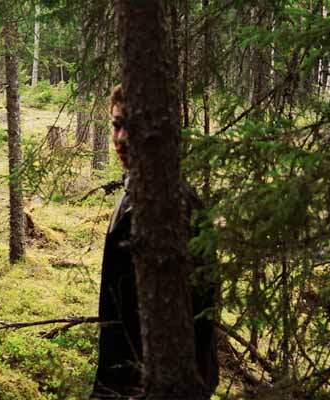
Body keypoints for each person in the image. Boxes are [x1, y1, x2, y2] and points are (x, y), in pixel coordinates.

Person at [90, 84, 219, 399]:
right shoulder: (133, 193)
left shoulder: (175, 206)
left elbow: (192, 319)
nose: (121, 139)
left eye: (131, 128)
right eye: (117, 125)